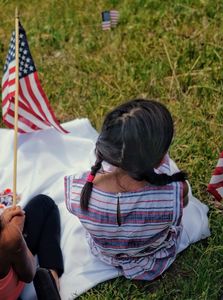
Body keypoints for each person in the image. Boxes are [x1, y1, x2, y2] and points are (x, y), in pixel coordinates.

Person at [65, 99, 189, 280]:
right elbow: (183, 206)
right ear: (161, 159)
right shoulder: (175, 192)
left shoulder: (76, 190)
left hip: (105, 254)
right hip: (153, 254)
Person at [0, 195, 64, 300]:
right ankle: (50, 286)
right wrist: (16, 232)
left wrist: (4, 221)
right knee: (44, 203)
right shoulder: (9, 236)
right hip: (11, 293)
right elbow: (29, 274)